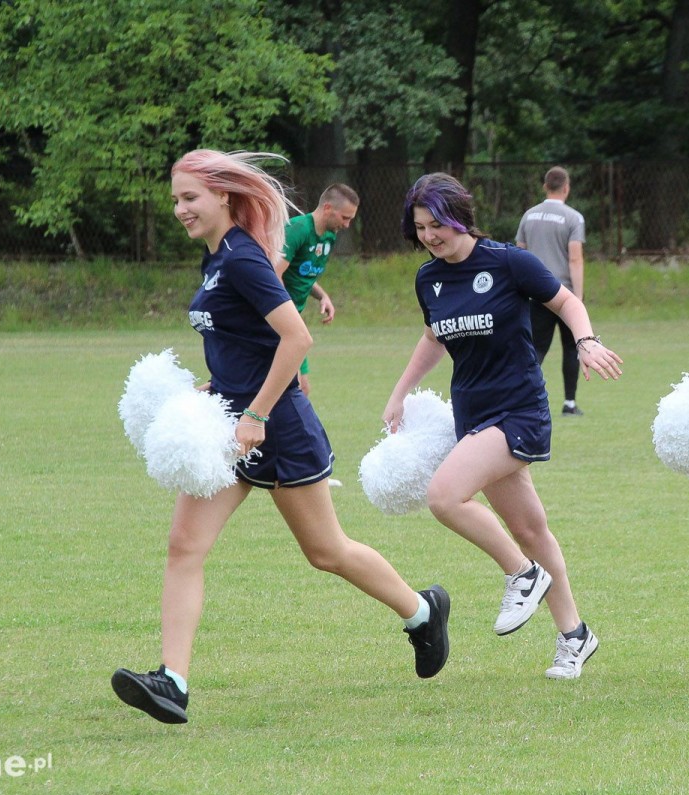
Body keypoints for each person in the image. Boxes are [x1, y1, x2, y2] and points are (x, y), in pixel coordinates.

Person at [111, 151, 449, 725]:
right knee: (184, 545)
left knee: (327, 552)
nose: (180, 209)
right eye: (175, 200)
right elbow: (243, 343)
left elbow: (296, 340)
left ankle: (422, 612)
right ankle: (172, 681)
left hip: (278, 426)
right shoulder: (215, 258)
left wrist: (256, 414)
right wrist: (212, 388)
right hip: (230, 425)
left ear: (223, 195)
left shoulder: (243, 257)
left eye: (190, 197)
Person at [384, 173, 622, 678]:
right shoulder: (429, 279)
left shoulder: (508, 262)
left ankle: (522, 574)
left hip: (519, 410)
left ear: (459, 217)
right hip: (472, 413)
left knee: (445, 496)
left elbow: (566, 301)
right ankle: (575, 636)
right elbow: (433, 337)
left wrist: (585, 341)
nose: (429, 236)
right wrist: (400, 392)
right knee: (531, 529)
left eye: (436, 225)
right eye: (420, 228)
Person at [272, 183, 360, 397]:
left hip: (293, 326)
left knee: (300, 389)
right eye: (345, 218)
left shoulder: (328, 237)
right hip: (275, 323)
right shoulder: (298, 229)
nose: (347, 225)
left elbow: (303, 274)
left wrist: (323, 296)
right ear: (328, 208)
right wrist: (287, 315)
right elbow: (274, 275)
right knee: (290, 390)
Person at [516, 166, 587, 416]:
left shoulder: (529, 216)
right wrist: (578, 297)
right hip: (564, 293)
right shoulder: (573, 218)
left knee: (535, 349)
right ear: (566, 188)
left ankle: (522, 400)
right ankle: (570, 403)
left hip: (536, 294)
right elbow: (575, 259)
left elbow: (519, 253)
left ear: (545, 186)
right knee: (572, 347)